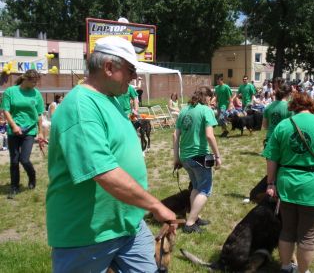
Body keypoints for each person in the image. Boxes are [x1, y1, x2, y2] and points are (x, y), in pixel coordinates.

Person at [46, 36, 176, 272]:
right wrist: (156, 206)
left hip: (129, 225)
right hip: (86, 236)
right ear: (108, 67)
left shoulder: (111, 100)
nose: (133, 76)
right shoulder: (81, 105)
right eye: (130, 70)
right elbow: (103, 172)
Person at [264, 92, 314, 273]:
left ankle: (285, 267)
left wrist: (270, 183)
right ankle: (303, 271)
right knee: (308, 236)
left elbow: (271, 157)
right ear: (312, 106)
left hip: (287, 182)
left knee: (287, 230)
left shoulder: (283, 125)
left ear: (292, 107)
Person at [173, 86, 221, 233]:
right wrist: (217, 156)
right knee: (205, 190)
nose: (211, 100)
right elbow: (209, 135)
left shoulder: (184, 110)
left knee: (196, 187)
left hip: (185, 156)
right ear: (206, 97)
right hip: (200, 155)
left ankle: (195, 216)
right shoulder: (206, 110)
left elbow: (175, 135)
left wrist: (176, 158)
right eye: (210, 97)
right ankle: (190, 223)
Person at [1, 69, 45, 199]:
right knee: (14, 161)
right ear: (25, 79)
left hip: (29, 131)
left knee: (24, 159)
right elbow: (6, 110)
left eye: (37, 81)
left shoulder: (36, 94)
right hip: (13, 130)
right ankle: (14, 186)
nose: (35, 84)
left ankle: (32, 177)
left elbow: (39, 115)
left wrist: (41, 133)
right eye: (33, 81)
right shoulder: (10, 92)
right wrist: (14, 126)